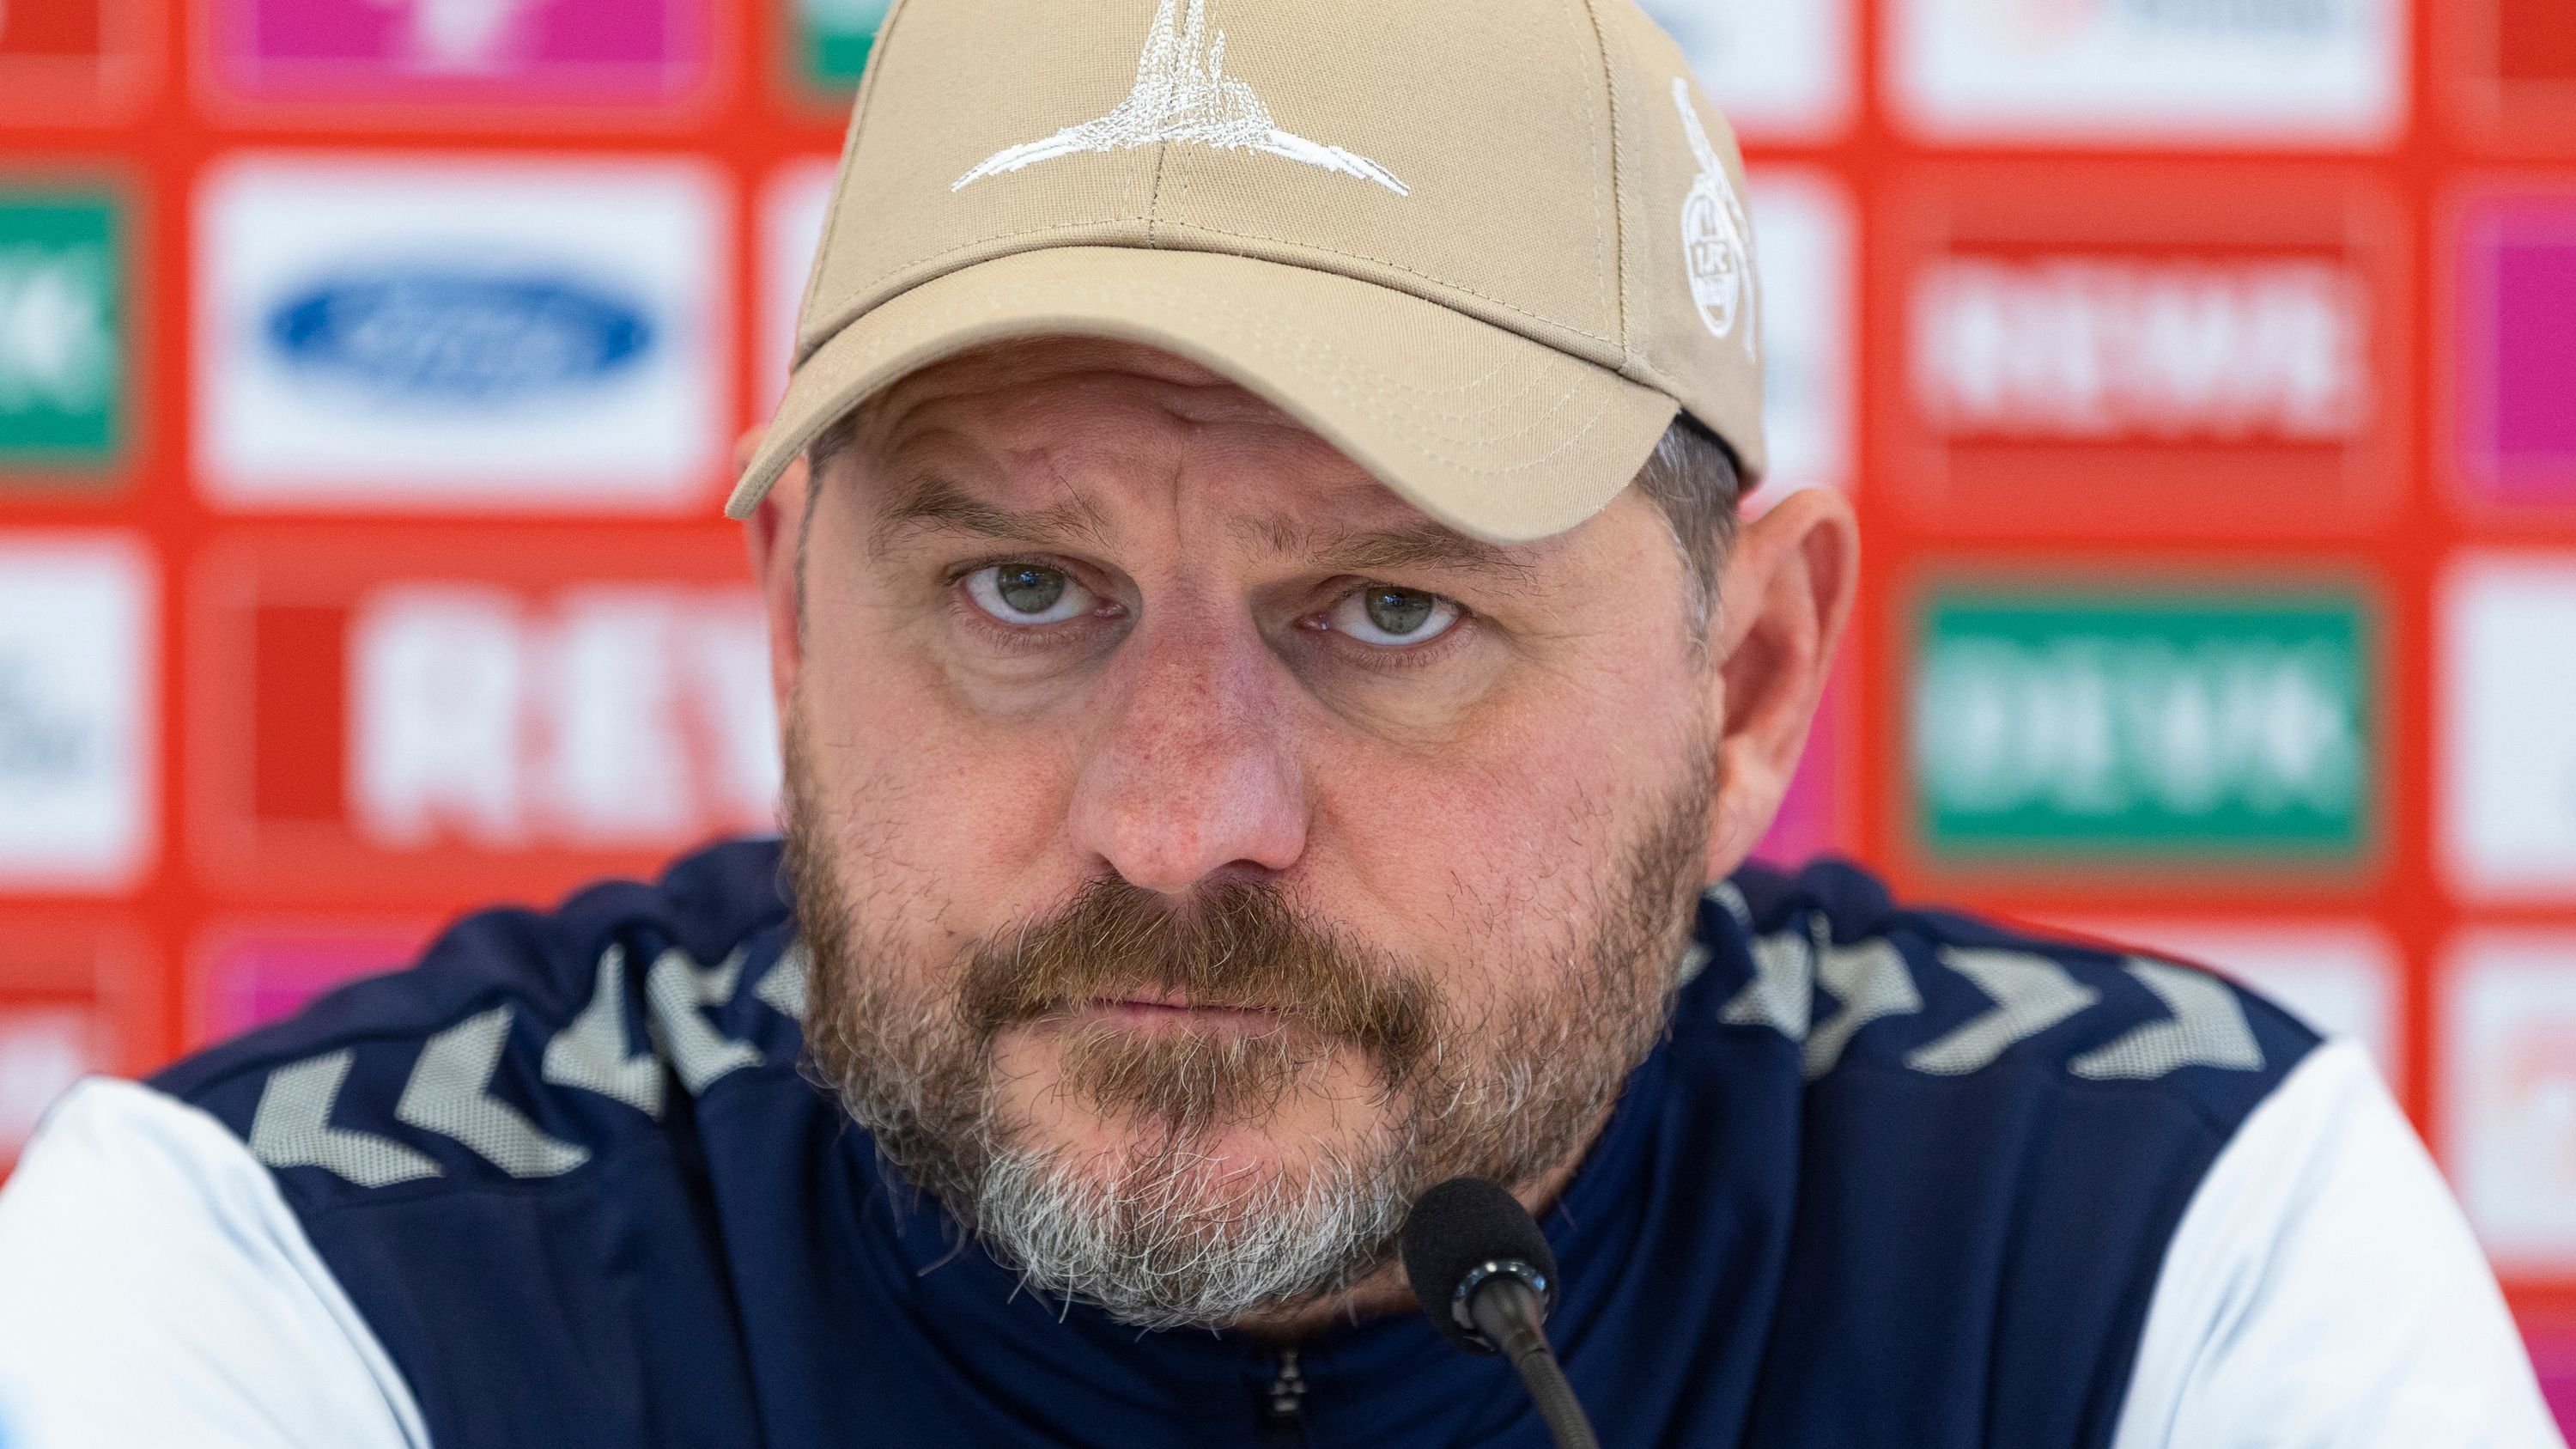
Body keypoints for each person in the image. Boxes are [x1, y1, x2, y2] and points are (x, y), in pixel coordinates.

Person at [0, 0, 2558, 1445]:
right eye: (1024, 590)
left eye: (1387, 611)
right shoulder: (308, 1282)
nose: (1177, 818)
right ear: (789, 620)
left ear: (1749, 679)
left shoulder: (2149, 1253)